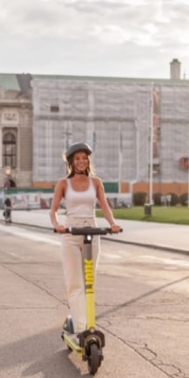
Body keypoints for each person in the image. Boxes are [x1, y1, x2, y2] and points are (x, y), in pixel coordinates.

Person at [49, 142, 121, 342]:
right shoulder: (63, 184)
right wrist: (57, 224)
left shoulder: (96, 182)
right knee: (75, 283)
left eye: (84, 158)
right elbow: (53, 210)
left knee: (90, 282)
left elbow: (104, 206)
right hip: (71, 233)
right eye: (77, 158)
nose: (81, 161)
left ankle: (89, 324)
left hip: (92, 229)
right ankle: (81, 329)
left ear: (88, 160)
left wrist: (113, 224)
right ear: (71, 162)